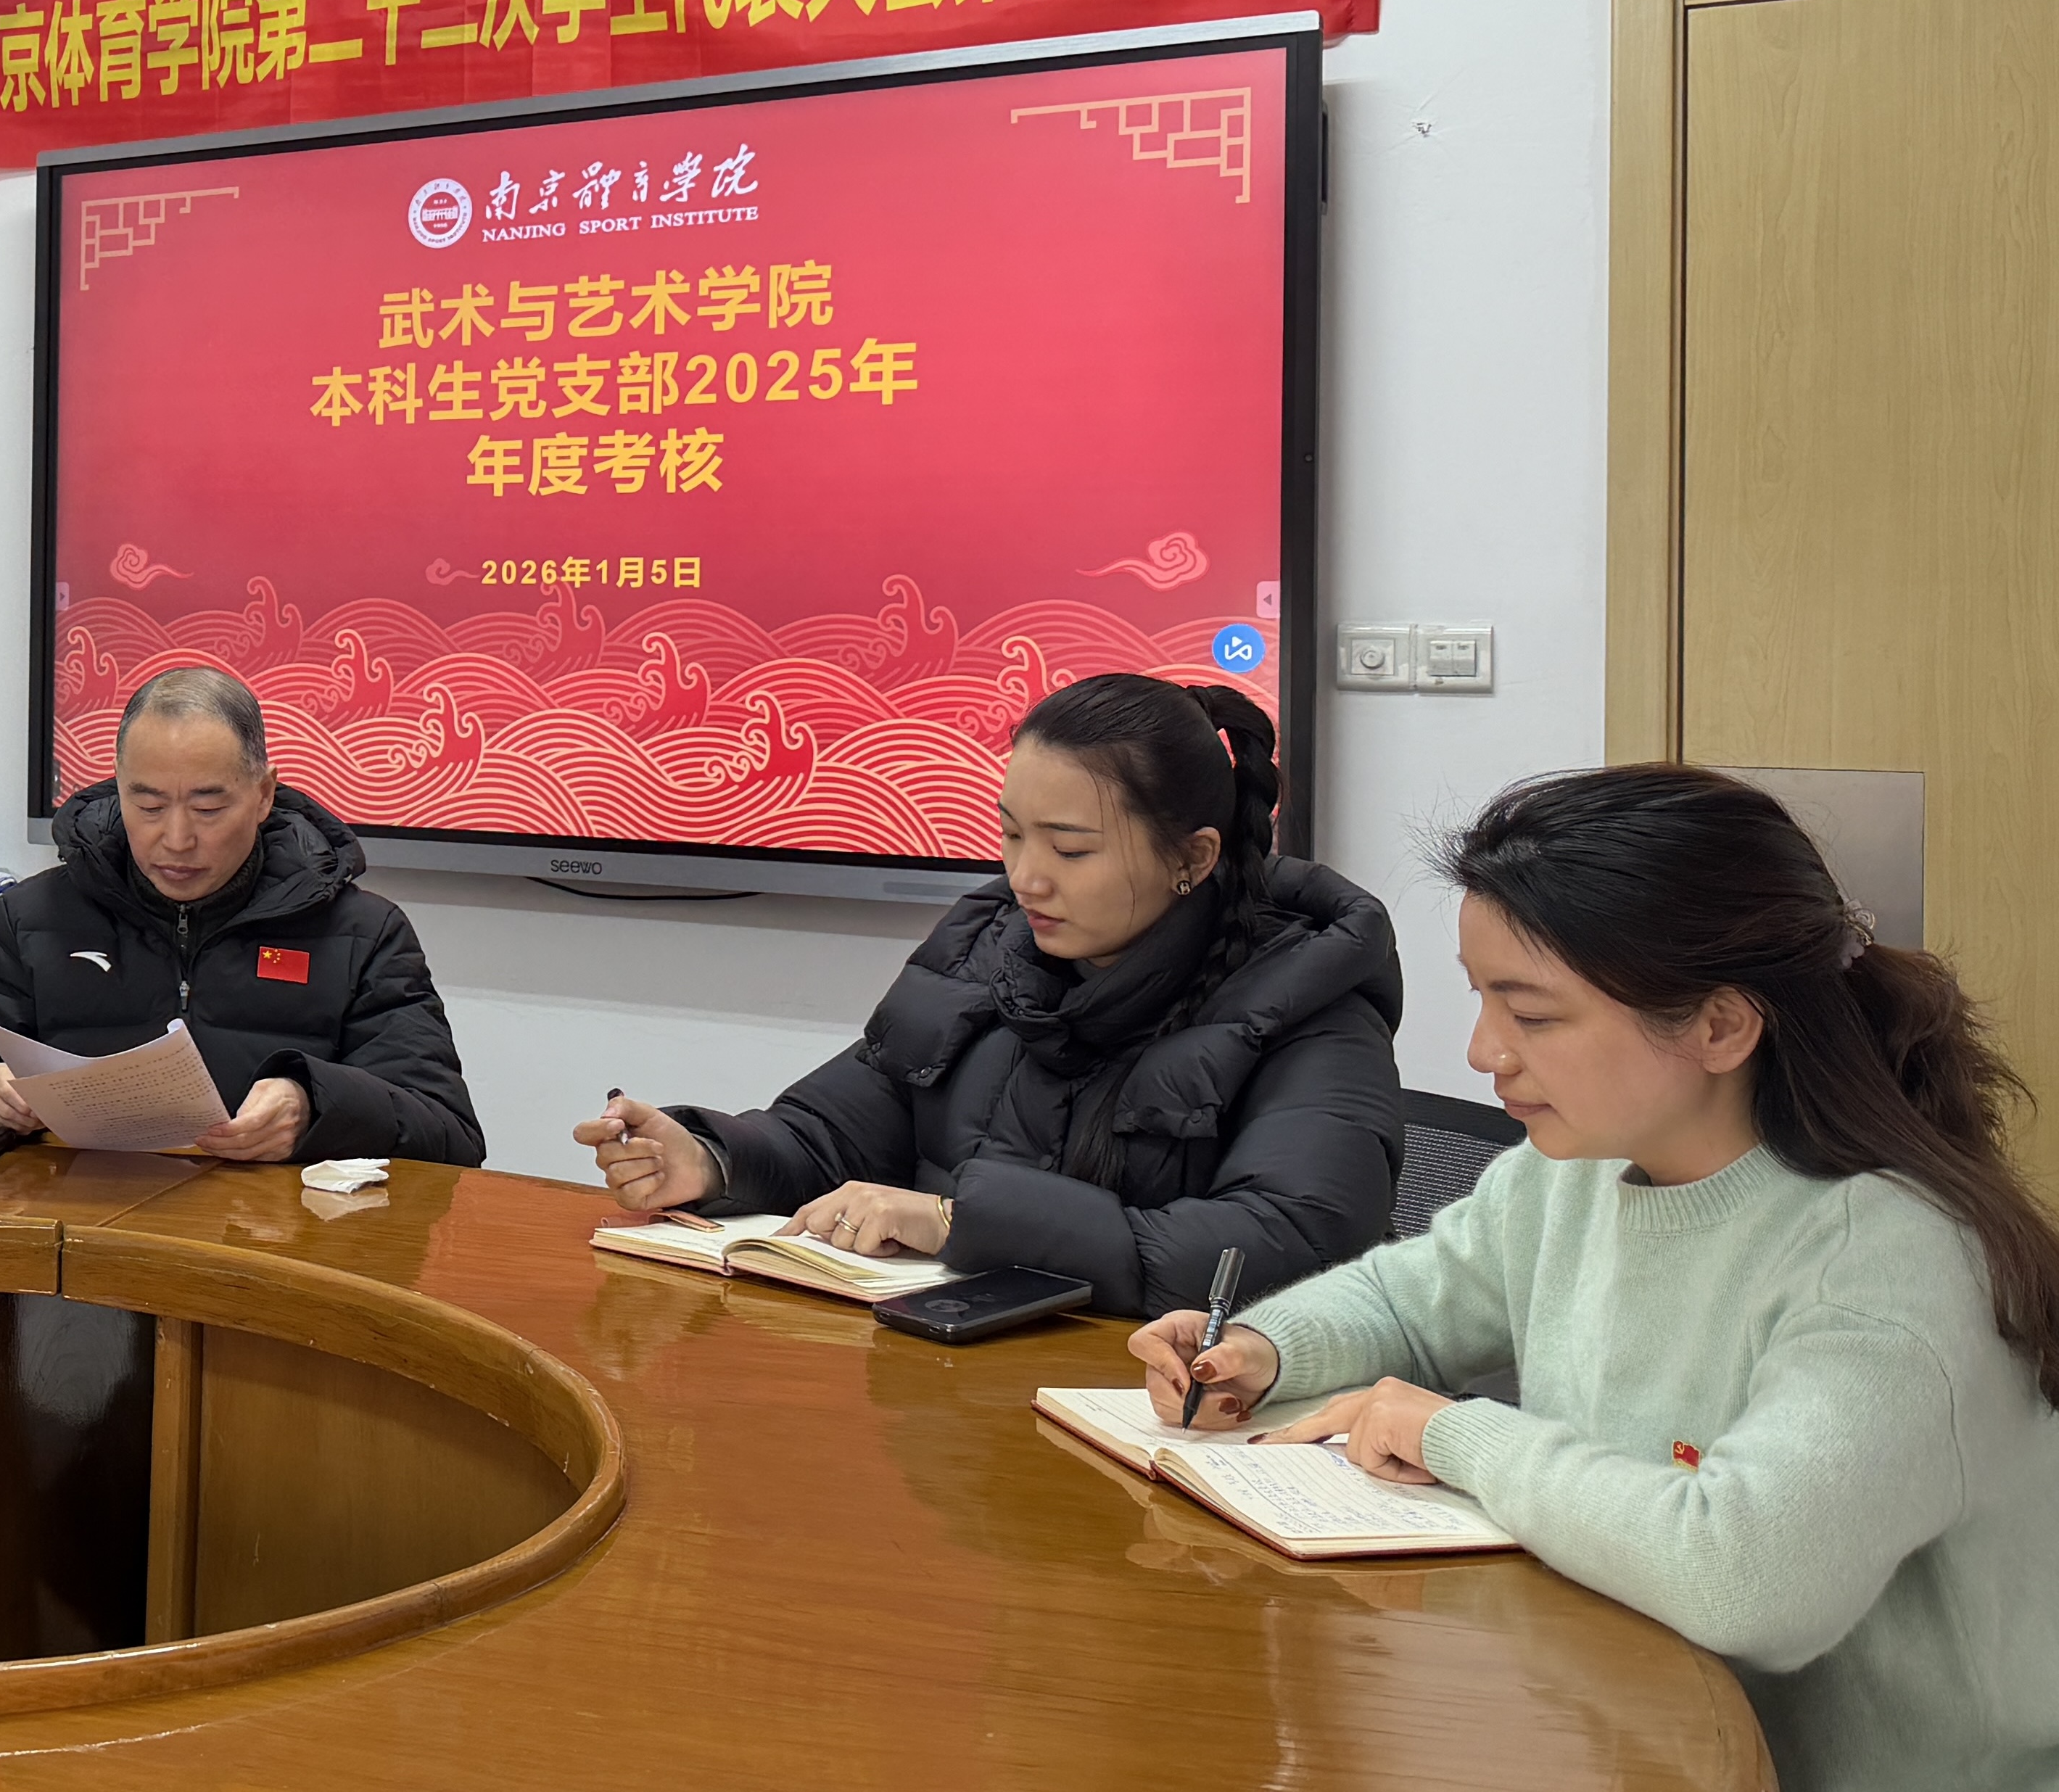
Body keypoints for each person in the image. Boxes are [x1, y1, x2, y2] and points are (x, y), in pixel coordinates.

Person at [1139, 765, 2059, 1791]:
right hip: (1636, 1733)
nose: (1484, 1052)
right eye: (1482, 998)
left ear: (1720, 1026)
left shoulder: (1886, 1261)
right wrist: (1261, 1350)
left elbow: (1745, 1579)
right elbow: (1408, 1300)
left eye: (1532, 1016)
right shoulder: (1571, 1175)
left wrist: (1454, 1434)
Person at [577, 673, 1400, 1316]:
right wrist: (709, 1157)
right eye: (1011, 834)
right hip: (953, 1384)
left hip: (1149, 1409)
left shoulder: (1308, 1005)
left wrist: (959, 1221)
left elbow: (1294, 1244)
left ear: (1192, 857)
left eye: (1070, 850)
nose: (1026, 877)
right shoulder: (987, 949)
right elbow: (832, 1134)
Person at [0, 666, 483, 1165]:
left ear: (263, 794)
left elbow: (449, 1135)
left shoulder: (363, 934)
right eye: (148, 805)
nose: (177, 838)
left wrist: (315, 1106)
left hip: (277, 1240)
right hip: (78, 1227)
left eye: (208, 807)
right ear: (118, 790)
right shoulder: (30, 919)